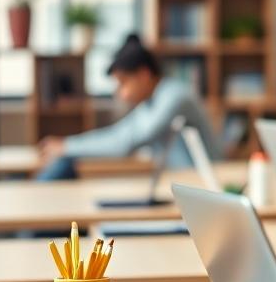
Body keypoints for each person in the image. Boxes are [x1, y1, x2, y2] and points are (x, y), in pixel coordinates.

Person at [37, 35, 220, 180]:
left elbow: (125, 142)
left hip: (205, 184)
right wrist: (66, 145)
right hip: (182, 182)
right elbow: (119, 133)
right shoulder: (152, 101)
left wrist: (66, 147)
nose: (120, 93)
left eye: (123, 83)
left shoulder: (174, 97)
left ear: (144, 75)